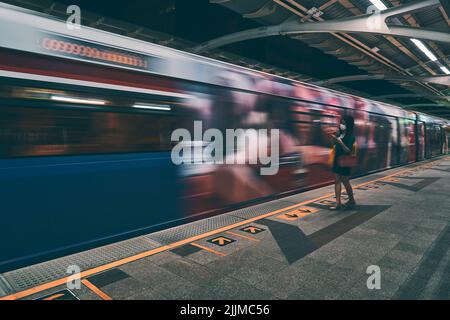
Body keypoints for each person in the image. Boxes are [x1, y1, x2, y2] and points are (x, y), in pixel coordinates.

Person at [330, 115, 356, 210]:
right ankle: (338, 203)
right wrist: (333, 140)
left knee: (345, 181)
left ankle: (352, 200)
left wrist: (340, 142)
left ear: (349, 125)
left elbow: (348, 151)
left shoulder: (351, 136)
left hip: (345, 160)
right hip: (337, 159)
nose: (342, 125)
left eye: (344, 123)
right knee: (337, 180)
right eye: (341, 122)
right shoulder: (339, 134)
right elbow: (334, 145)